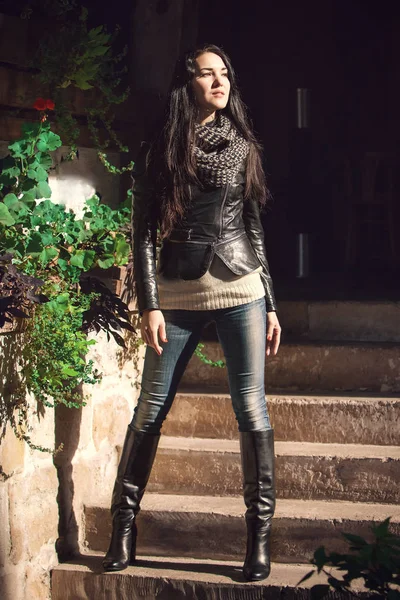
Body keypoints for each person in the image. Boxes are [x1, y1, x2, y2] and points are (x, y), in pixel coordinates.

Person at [103, 44, 281, 582]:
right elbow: (142, 232)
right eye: (208, 74)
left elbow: (253, 228)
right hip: (177, 295)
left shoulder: (245, 146)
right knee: (150, 409)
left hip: (241, 286)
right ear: (189, 84)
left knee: (251, 411)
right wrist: (150, 303)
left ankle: (258, 542)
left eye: (225, 73)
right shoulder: (162, 146)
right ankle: (123, 531)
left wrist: (270, 300)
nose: (220, 82)